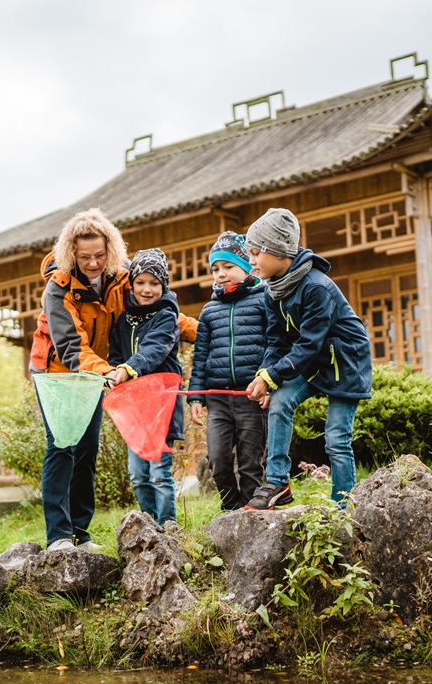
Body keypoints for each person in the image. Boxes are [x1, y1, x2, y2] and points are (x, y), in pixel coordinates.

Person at [28, 209, 196, 551]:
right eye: (85, 256)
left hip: (100, 373)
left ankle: (80, 533)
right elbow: (73, 348)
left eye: (100, 256)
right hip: (59, 373)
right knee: (62, 445)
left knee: (87, 449)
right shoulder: (58, 289)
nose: (92, 263)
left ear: (111, 251)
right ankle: (58, 535)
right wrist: (108, 371)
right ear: (71, 253)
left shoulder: (120, 280)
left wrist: (210, 329)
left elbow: (158, 313)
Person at [243, 207, 373, 510]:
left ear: (276, 251)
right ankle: (277, 482)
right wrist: (265, 375)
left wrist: (272, 376)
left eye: (254, 253)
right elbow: (277, 340)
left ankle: (343, 507)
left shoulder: (317, 288)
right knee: (279, 403)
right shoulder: (272, 291)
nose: (250, 262)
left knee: (336, 440)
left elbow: (308, 344)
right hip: (311, 362)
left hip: (344, 363)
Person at [187, 232, 270, 511]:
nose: (221, 274)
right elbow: (200, 357)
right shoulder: (209, 311)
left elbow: (274, 345)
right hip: (218, 399)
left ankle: (252, 513)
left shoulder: (264, 301)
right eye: (215, 269)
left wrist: (269, 382)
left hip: (251, 396)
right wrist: (196, 397)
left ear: (246, 267)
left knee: (250, 462)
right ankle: (230, 510)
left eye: (228, 267)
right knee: (218, 460)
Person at [107, 248, 184, 526]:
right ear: (132, 284)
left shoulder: (166, 317)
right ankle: (149, 524)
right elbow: (115, 356)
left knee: (159, 473)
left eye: (154, 283)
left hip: (161, 406)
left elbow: (154, 349)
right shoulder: (123, 320)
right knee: (138, 474)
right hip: (134, 410)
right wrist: (114, 371)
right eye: (140, 282)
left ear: (163, 285)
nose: (147, 289)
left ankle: (167, 522)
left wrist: (130, 367)